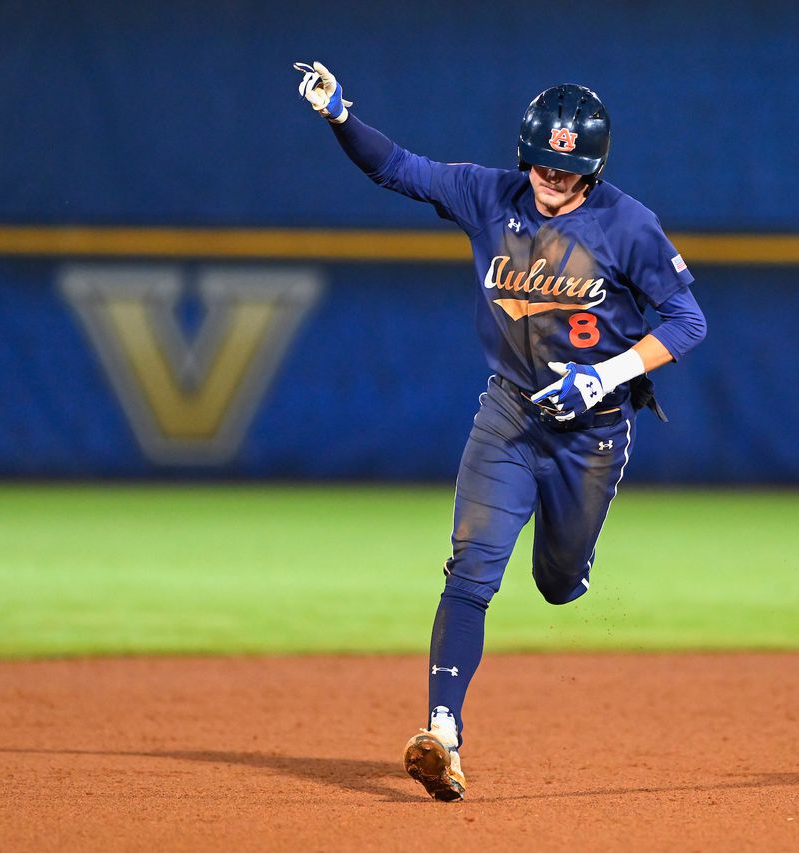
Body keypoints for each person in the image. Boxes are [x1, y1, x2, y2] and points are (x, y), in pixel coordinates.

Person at [296, 61, 707, 801]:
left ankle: (568, 570)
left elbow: (688, 320)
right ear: (526, 155)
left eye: (570, 167)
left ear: (595, 169)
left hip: (594, 429)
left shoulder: (627, 224)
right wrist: (339, 116)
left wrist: (604, 376)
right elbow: (397, 167)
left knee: (555, 583)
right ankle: (443, 732)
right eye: (545, 162)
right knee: (472, 567)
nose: (553, 176)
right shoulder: (490, 194)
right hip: (511, 414)